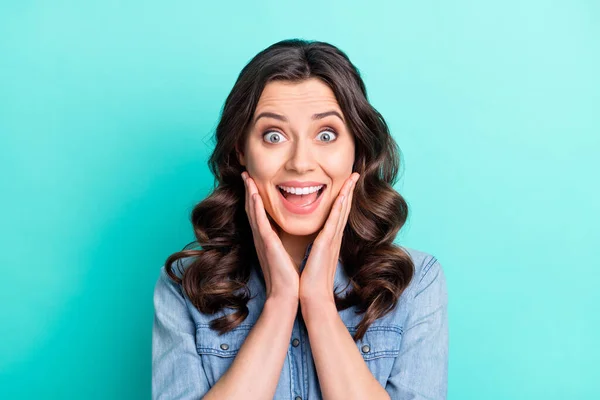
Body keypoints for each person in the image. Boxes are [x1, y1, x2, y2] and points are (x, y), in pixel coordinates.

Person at [152, 38, 448, 400]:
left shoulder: (415, 283)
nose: (300, 162)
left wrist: (319, 305)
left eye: (326, 134)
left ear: (356, 148)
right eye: (273, 135)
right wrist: (279, 304)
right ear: (240, 151)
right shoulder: (186, 286)